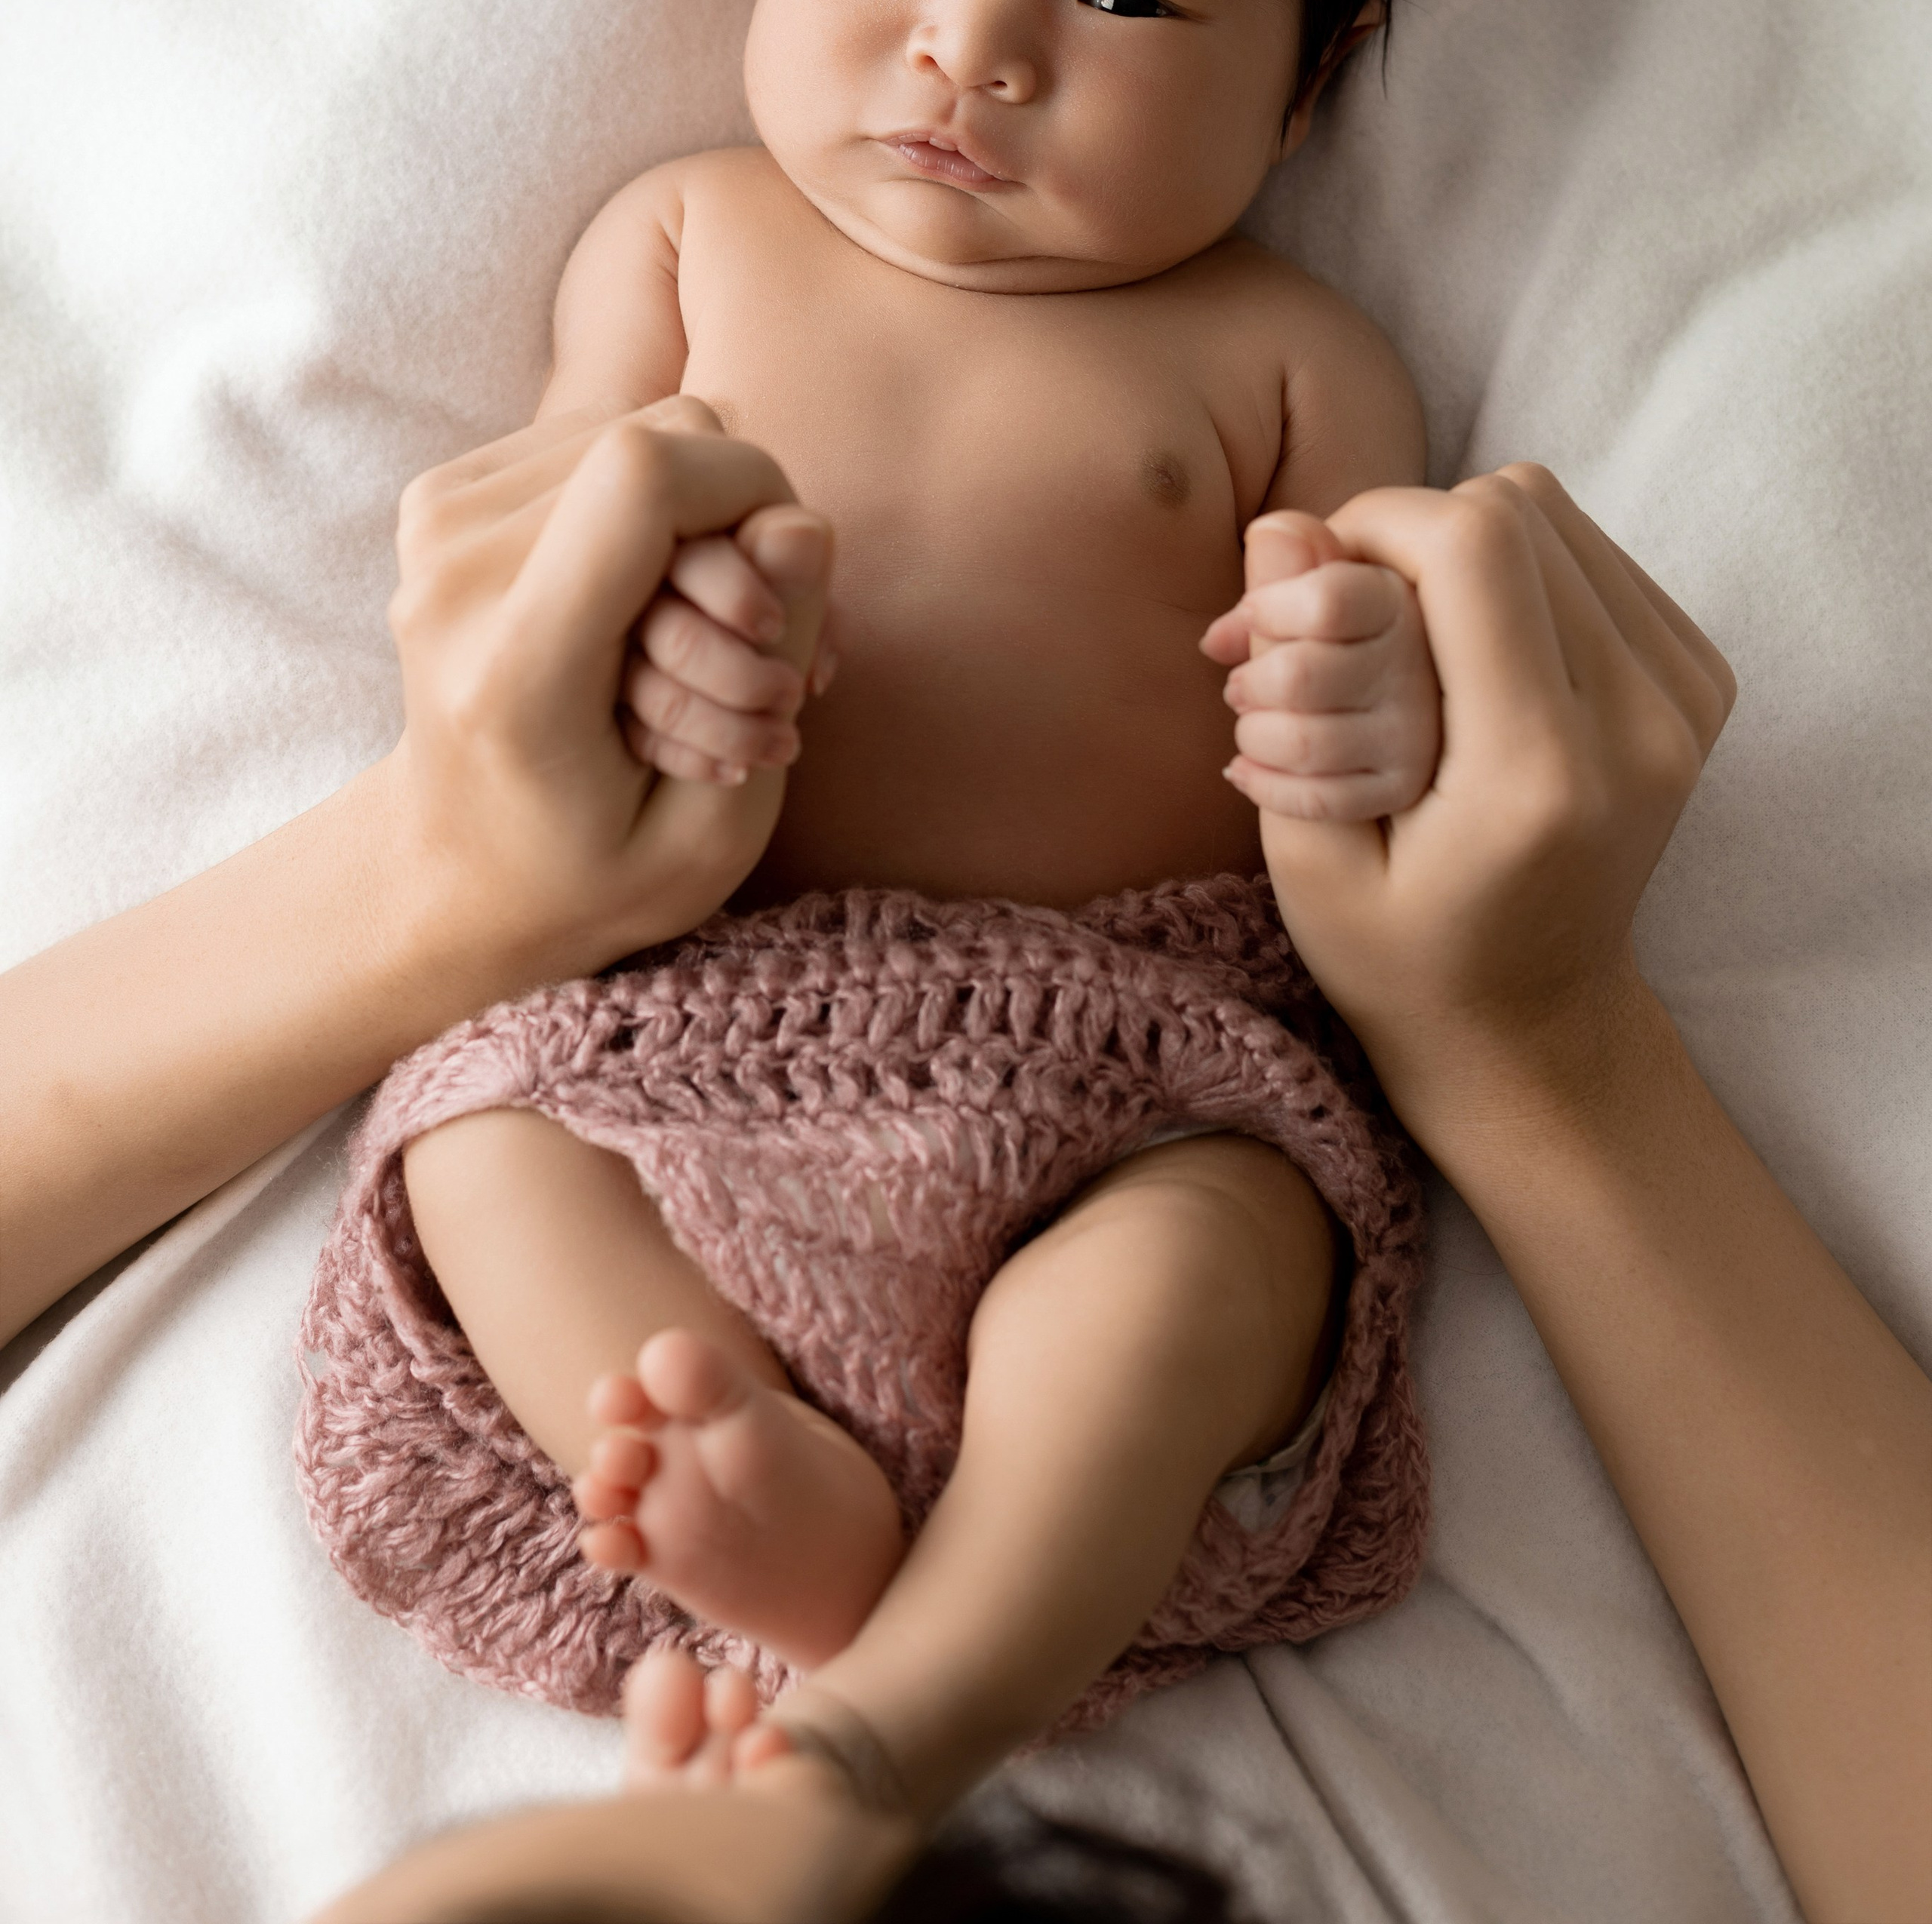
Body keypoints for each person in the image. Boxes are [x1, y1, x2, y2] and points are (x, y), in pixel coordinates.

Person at [297, 0, 1447, 1744]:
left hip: (1128, 1052)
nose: (974, 49)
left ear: (1313, 74)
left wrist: (1376, 702)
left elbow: (1388, 740)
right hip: (675, 1023)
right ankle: (738, 1459)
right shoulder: (682, 237)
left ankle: (902, 1697)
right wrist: (626, 616)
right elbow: (547, 547)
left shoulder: (1288, 361)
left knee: (1219, 1251)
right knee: (477, 1135)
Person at [289, 465, 1930, 1924]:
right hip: (1039, 1061)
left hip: (925, 1049)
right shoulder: (686, 241)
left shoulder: (1267, 342)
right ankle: (903, 1674)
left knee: (485, 1137)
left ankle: (759, 1509)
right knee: (1193, 1251)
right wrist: (1542, 1048)